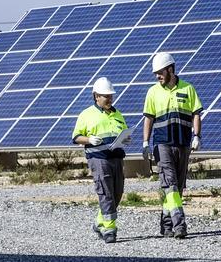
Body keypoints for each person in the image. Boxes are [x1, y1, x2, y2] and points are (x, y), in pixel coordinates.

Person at [142, 52, 202, 239]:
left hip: (183, 143)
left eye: (160, 72)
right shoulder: (153, 92)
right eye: (155, 74)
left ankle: (166, 225)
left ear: (170, 69)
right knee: (170, 183)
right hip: (162, 144)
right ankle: (179, 224)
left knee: (178, 186)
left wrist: (197, 135)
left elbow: (196, 113)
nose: (157, 76)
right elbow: (148, 119)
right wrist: (145, 142)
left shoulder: (188, 88)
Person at [72, 77, 130, 244]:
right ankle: (110, 229)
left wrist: (125, 139)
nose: (110, 99)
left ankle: (99, 222)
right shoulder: (86, 114)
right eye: (106, 96)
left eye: (111, 96)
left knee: (117, 193)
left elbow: (123, 131)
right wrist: (89, 140)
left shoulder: (117, 114)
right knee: (106, 193)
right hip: (99, 159)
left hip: (117, 158)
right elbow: (76, 137)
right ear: (96, 96)